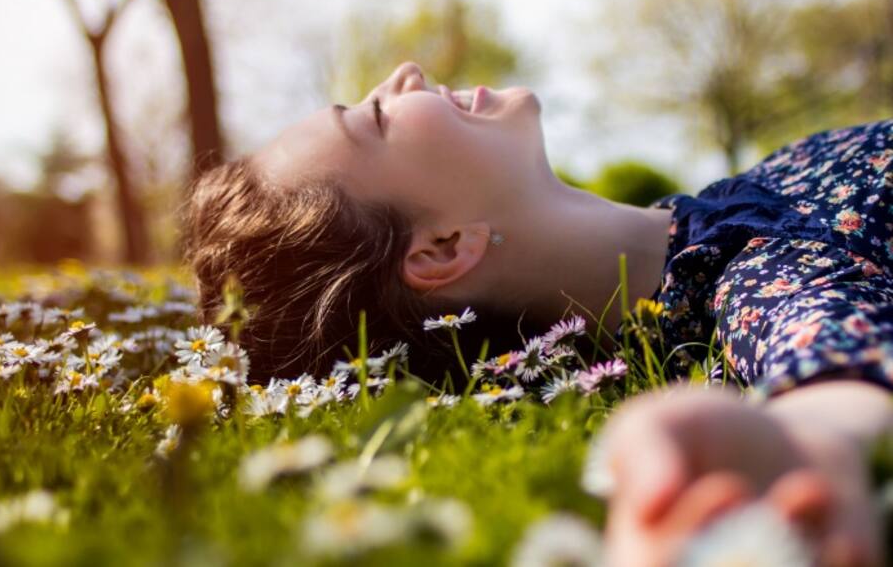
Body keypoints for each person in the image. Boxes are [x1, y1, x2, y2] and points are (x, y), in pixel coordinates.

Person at [183, 62, 892, 565]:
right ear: (440, 249)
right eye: (374, 116)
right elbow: (831, 366)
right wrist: (802, 451)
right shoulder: (750, 279)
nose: (403, 73)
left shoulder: (731, 205)